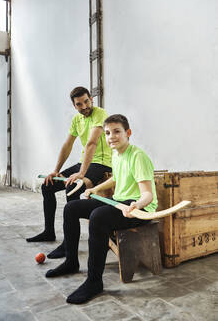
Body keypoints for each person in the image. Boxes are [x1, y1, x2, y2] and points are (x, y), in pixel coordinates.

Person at [45, 114, 158, 304]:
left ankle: (94, 281)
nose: (111, 136)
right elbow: (116, 178)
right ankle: (71, 261)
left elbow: (148, 195)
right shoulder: (117, 154)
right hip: (119, 201)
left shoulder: (138, 156)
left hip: (139, 209)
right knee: (71, 208)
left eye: (117, 131)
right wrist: (96, 188)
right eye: (107, 133)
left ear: (128, 133)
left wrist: (136, 205)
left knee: (98, 217)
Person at [26, 86, 112, 260]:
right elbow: (67, 145)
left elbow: (92, 143)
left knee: (71, 187)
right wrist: (56, 170)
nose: (84, 106)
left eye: (86, 101)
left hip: (101, 163)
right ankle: (49, 231)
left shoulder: (100, 114)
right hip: (84, 162)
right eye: (79, 104)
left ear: (91, 99)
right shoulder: (76, 120)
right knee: (48, 186)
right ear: (74, 106)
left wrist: (81, 174)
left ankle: (68, 245)